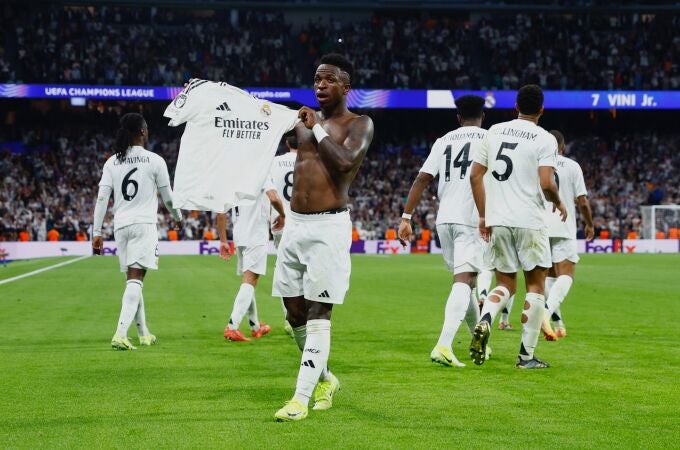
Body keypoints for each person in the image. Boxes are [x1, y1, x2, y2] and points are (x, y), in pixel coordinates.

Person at [272, 54, 374, 422]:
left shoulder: (359, 123)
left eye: (328, 80)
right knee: (293, 310)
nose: (319, 85)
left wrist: (315, 128)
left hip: (328, 227)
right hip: (295, 226)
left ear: (346, 88)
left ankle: (299, 399)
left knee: (319, 312)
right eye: (316, 79)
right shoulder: (300, 123)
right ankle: (326, 378)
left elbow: (345, 162)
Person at [468, 84, 567, 369]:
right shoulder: (545, 138)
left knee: (505, 284)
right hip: (530, 221)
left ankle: (486, 319)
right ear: (542, 109)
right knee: (535, 286)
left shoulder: (494, 131)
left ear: (516, 107)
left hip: (498, 219)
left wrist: (484, 215)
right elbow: (547, 182)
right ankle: (526, 356)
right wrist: (559, 202)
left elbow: (475, 176)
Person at [398, 95, 490, 368]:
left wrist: (406, 217)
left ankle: (482, 345)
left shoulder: (444, 140)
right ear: (482, 116)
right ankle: (444, 345)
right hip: (471, 218)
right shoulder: (489, 139)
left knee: (467, 281)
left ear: (458, 117)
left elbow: (422, 178)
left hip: (445, 220)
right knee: (464, 281)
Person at [92, 113, 182, 351]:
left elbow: (102, 199)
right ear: (142, 131)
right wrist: (178, 218)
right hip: (143, 225)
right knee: (136, 279)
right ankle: (120, 334)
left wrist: (96, 232)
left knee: (133, 279)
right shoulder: (155, 161)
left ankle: (143, 333)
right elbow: (169, 199)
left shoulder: (112, 162)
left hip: (120, 226)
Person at [540, 130, 595, 340]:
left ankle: (559, 324)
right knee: (566, 274)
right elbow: (582, 201)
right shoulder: (572, 166)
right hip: (563, 225)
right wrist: (589, 224)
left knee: (549, 277)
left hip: (541, 226)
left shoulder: (538, 165)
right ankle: (545, 314)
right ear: (562, 147)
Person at [217, 181, 286, 342]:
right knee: (250, 280)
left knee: (248, 281)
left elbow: (220, 212)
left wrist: (223, 240)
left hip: (239, 234)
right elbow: (274, 198)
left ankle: (255, 326)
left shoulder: (236, 175)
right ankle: (232, 327)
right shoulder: (262, 170)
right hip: (256, 234)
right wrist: (283, 215)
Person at [269, 133, 299, 336]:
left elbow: (269, 193)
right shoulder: (311, 160)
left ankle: (290, 318)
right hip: (304, 221)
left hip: (280, 221)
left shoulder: (274, 162)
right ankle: (310, 316)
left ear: (287, 143)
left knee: (284, 269)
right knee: (305, 268)